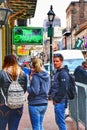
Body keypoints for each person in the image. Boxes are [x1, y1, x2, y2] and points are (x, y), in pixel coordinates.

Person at [0, 54, 27, 130]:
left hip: (4, 105)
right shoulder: (22, 74)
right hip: (18, 105)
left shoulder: (2, 73)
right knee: (14, 128)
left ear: (5, 62)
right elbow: (24, 89)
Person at [27, 58, 50, 130]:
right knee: (39, 124)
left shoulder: (36, 76)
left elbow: (35, 91)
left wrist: (27, 86)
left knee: (36, 127)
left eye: (31, 67)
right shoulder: (47, 75)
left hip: (35, 103)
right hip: (44, 103)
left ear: (34, 67)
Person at [50, 53, 70, 130]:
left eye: (57, 61)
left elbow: (63, 88)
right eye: (54, 61)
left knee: (60, 122)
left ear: (61, 62)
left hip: (61, 101)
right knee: (58, 121)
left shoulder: (63, 73)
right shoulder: (58, 72)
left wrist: (57, 99)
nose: (55, 63)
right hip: (59, 101)